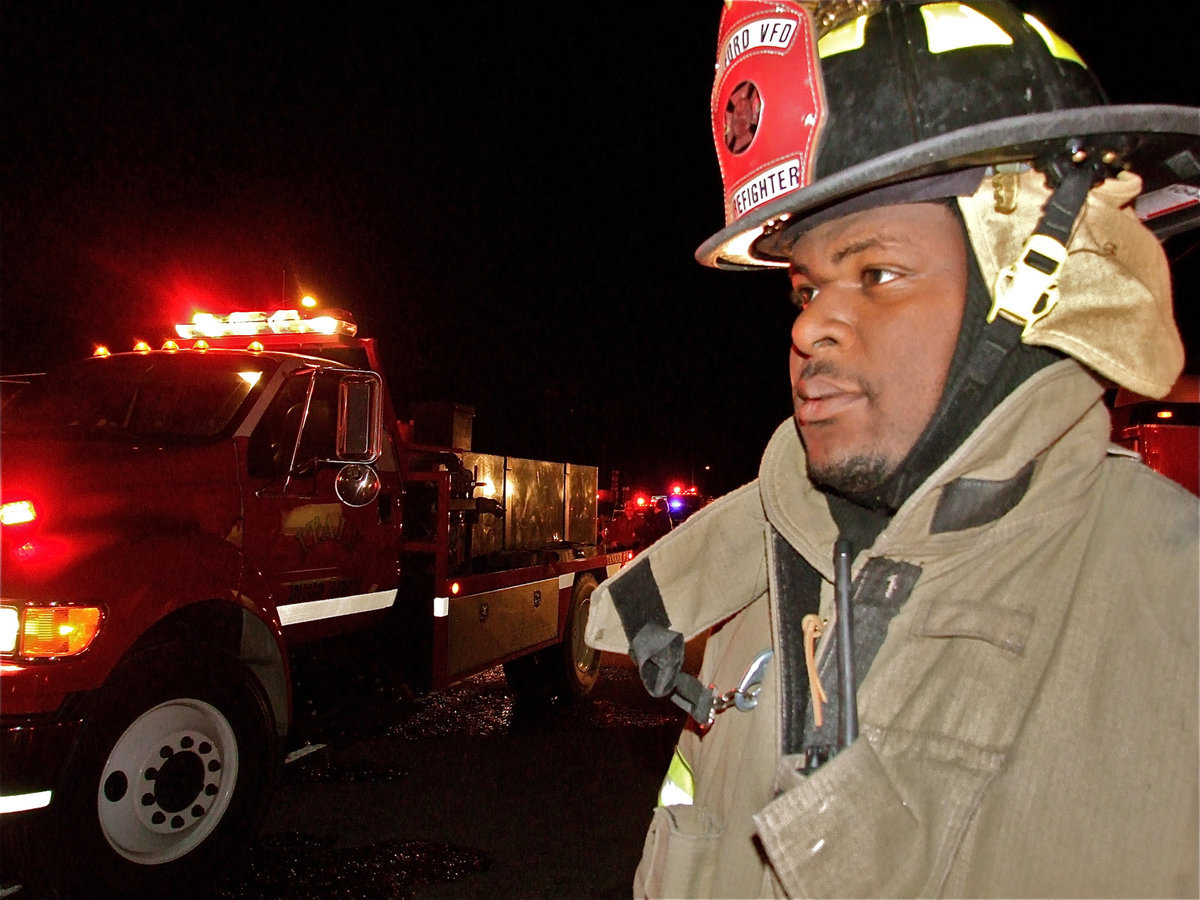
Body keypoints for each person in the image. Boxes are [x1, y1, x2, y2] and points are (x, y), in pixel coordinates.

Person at [585, 2, 1200, 897]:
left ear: (1029, 285)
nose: (814, 330)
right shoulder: (748, 599)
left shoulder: (1174, 610)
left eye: (876, 274)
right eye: (804, 291)